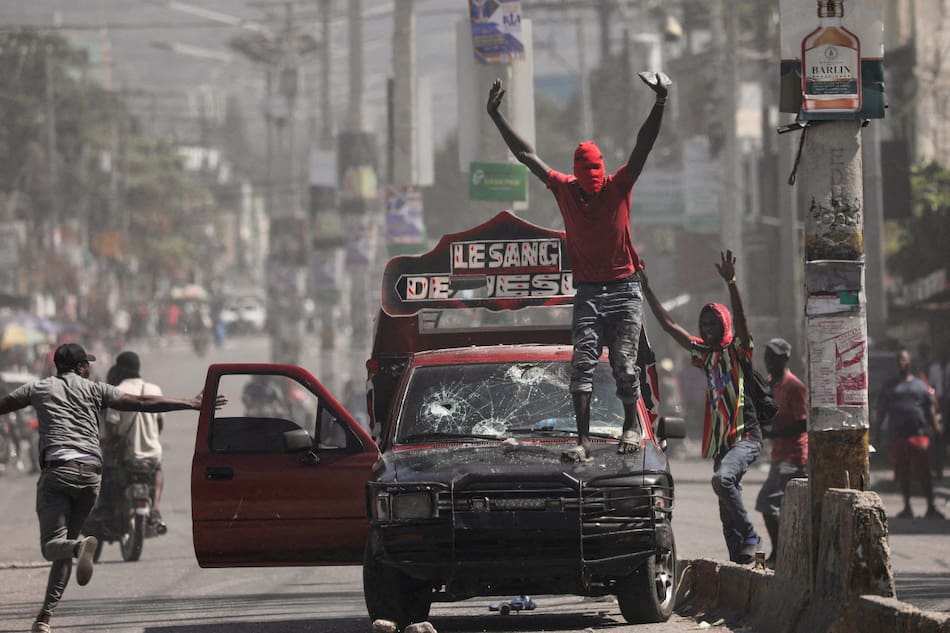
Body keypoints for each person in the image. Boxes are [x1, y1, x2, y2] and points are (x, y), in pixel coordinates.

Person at [486, 71, 671, 462]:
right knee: (582, 363)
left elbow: (643, 146)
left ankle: (629, 425)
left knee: (623, 362)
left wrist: (660, 102)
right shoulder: (564, 188)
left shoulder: (618, 186)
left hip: (623, 288)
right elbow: (526, 155)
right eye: (587, 179)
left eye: (596, 177)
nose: (593, 185)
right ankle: (584, 439)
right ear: (577, 175)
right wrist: (495, 116)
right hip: (588, 290)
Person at [0, 343, 226, 633]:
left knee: (52, 547)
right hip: (92, 474)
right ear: (81, 367)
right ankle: (44, 617)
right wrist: (191, 403)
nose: (91, 368)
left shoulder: (39, 388)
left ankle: (81, 546)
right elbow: (143, 403)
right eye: (87, 364)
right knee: (65, 546)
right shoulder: (96, 389)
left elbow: (4, 406)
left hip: (58, 473)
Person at [640, 251, 764, 564]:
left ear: (724, 324)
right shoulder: (704, 354)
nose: (708, 328)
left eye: (714, 323)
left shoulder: (738, 350)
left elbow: (743, 323)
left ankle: (751, 534)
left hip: (745, 436)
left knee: (722, 481)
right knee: (725, 505)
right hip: (723, 444)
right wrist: (647, 289)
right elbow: (669, 326)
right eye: (704, 323)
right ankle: (741, 562)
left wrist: (732, 284)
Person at [754, 337, 808, 566]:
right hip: (779, 455)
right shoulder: (770, 384)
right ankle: (786, 553)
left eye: (773, 357)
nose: (769, 361)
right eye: (767, 357)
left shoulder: (794, 387)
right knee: (777, 506)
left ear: (785, 358)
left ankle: (781, 554)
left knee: (769, 503)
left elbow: (802, 423)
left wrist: (773, 434)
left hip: (793, 456)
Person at [102, 350, 168, 531]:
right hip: (152, 453)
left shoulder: (116, 391)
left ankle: (109, 513)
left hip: (128, 455)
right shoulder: (154, 390)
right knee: (158, 469)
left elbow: (112, 429)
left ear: (120, 369)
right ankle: (155, 508)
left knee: (107, 479)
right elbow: (159, 424)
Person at [876, 348, 945, 519]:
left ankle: (931, 506)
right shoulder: (889, 386)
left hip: (918, 434)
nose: (901, 362)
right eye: (899, 360)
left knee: (924, 472)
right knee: (903, 473)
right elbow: (881, 411)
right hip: (898, 436)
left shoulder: (920, 385)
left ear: (910, 362)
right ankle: (907, 507)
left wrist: (936, 430)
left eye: (904, 359)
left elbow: (929, 409)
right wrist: (876, 432)